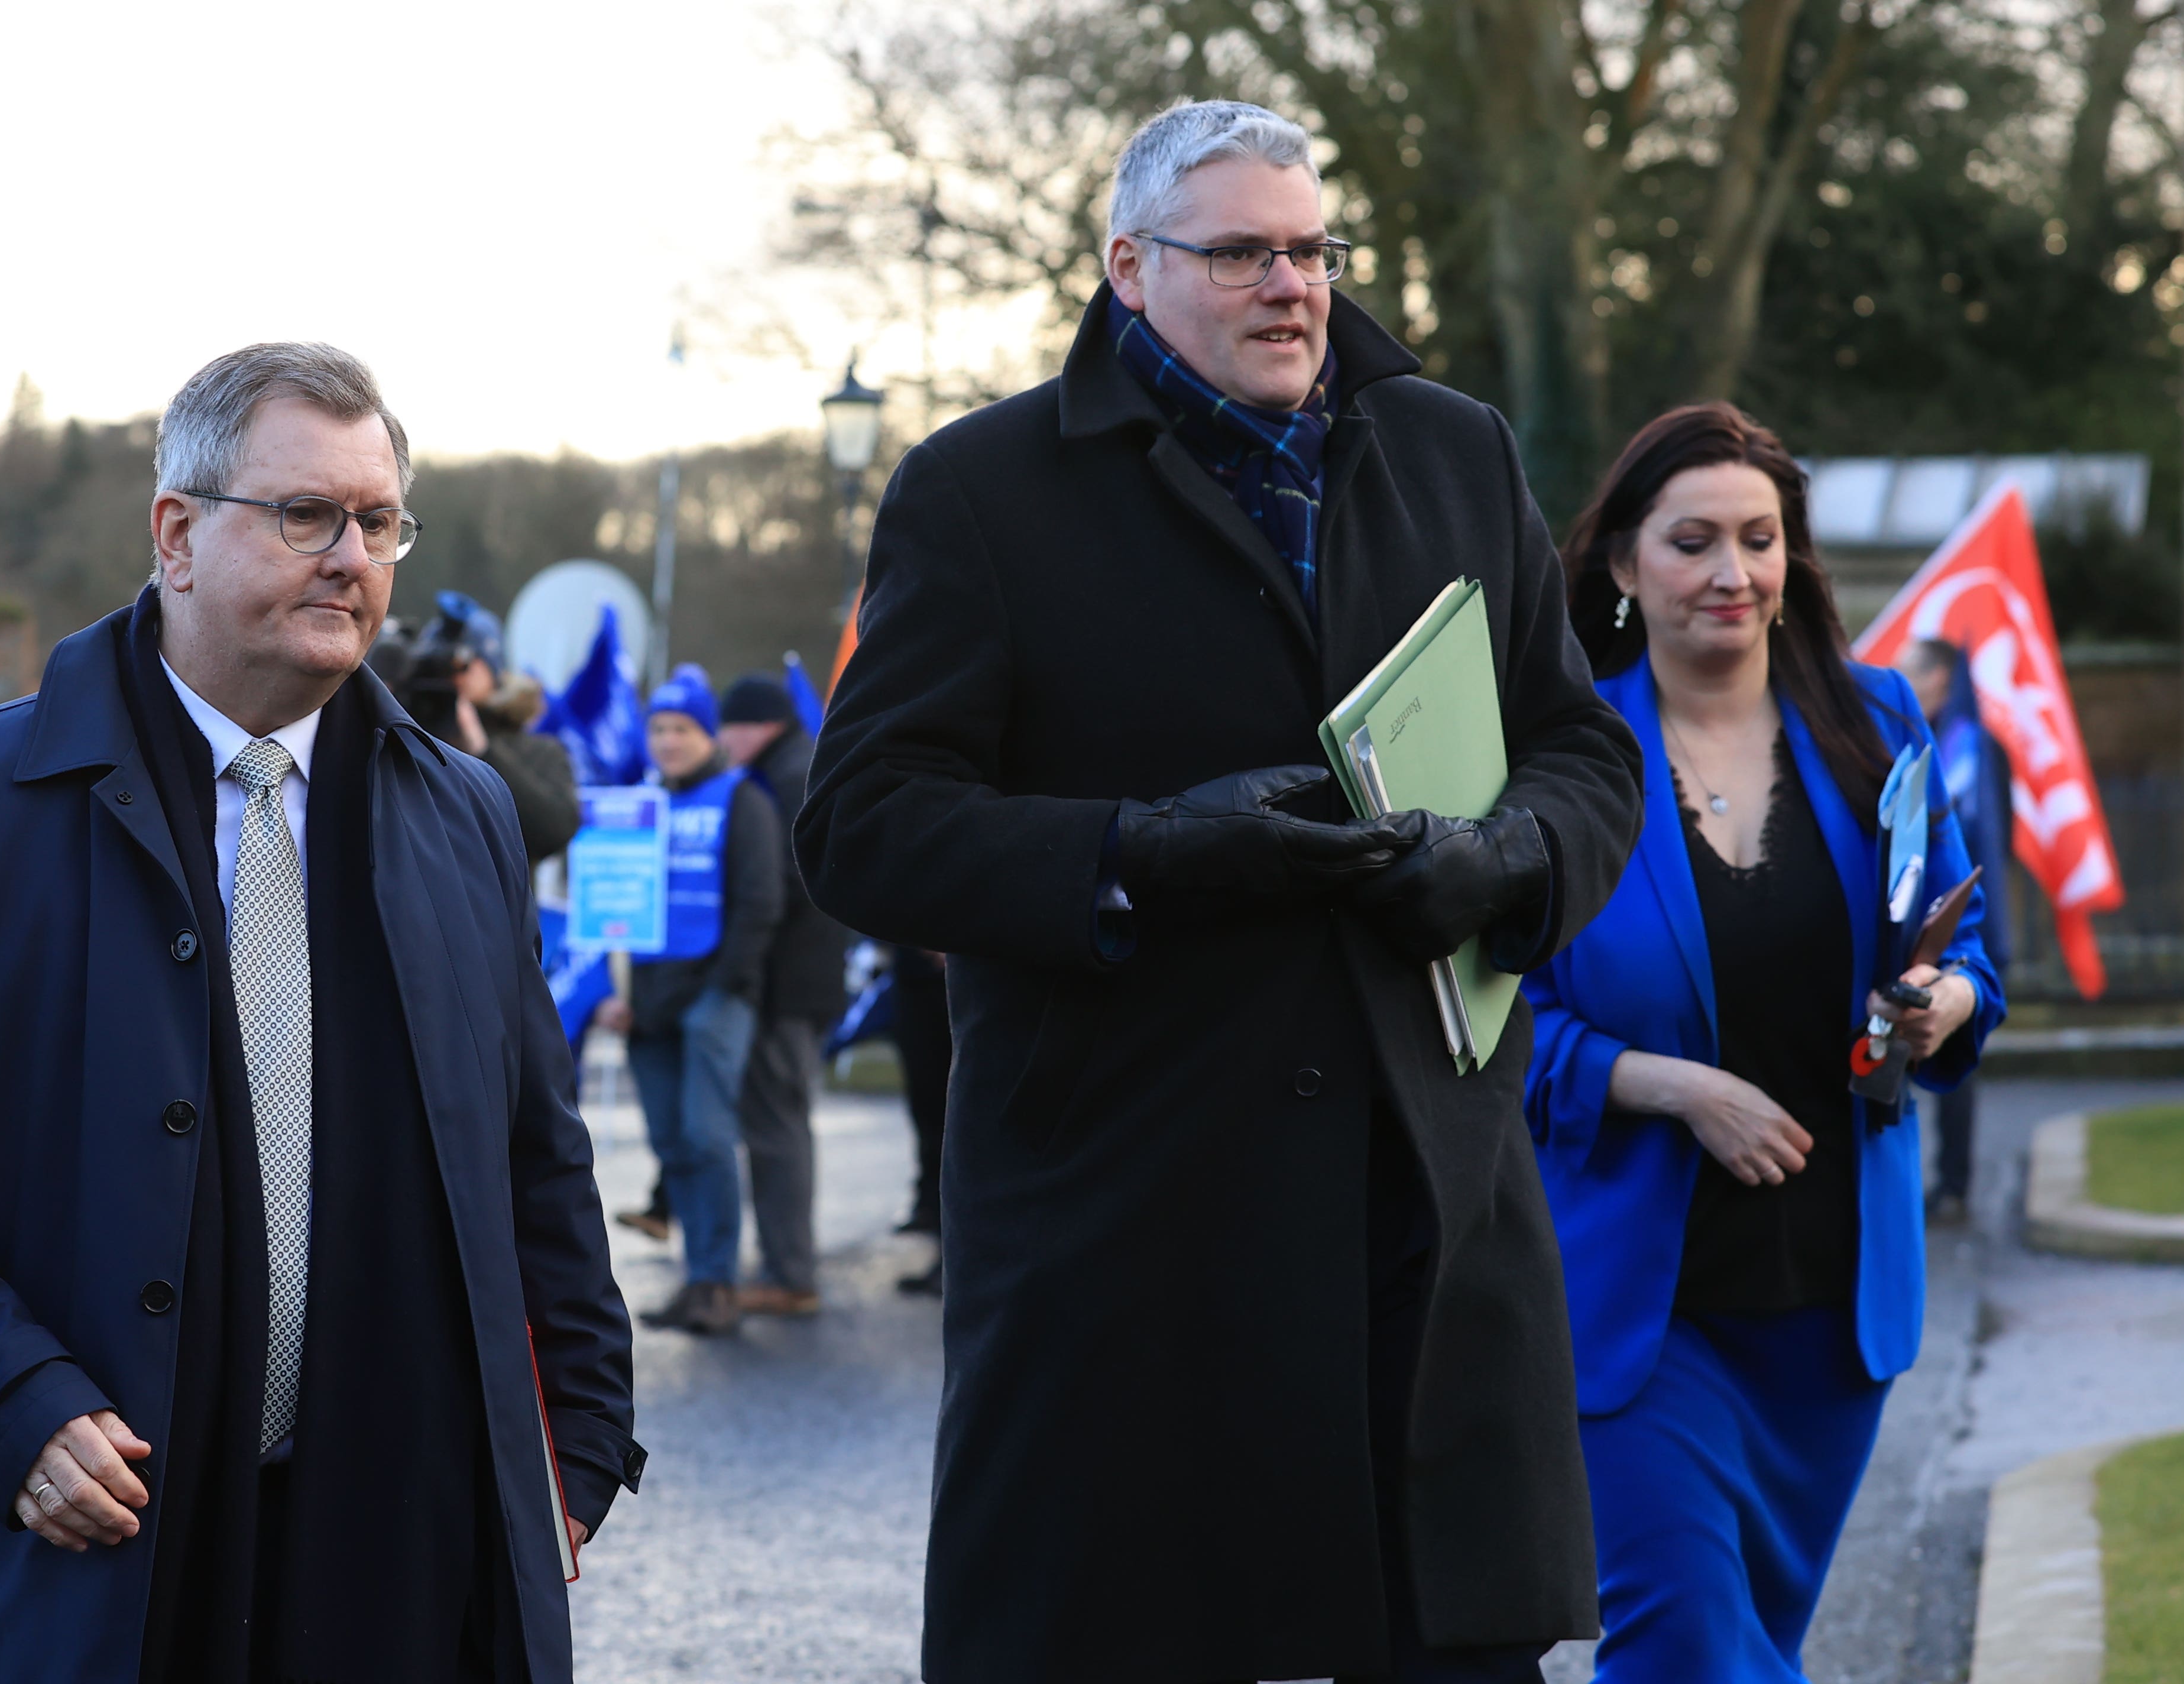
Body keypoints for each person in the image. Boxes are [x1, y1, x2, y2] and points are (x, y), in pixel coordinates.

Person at [796, 99, 1642, 1684]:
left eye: (1313, 251)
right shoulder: (981, 492)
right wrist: (1139, 851)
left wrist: (1511, 857)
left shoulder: (1458, 450)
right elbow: (862, 826)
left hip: (1423, 1222)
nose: (1293, 287)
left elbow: (1585, 752)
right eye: (1243, 253)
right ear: (1130, 268)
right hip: (1133, 1249)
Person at [0, 342, 643, 1683]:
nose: (351, 552)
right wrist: (1, 1394)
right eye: (305, 514)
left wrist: (578, 1433)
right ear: (176, 533)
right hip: (101, 1527)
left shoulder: (461, 811)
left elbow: (535, 1147)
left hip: (399, 1542)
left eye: (378, 519)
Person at [1522, 403, 2005, 1683]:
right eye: (1693, 541)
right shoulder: (1562, 758)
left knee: (1751, 1647)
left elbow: (1965, 955)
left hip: (1830, 1304)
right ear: (1624, 563)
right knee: (1682, 1642)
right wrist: (1673, 1086)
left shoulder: (1877, 721)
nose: (1733, 572)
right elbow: (1486, 1022)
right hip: (1639, 1309)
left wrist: (1939, 1003)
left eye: (1760, 538)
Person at [593, 665, 784, 1336]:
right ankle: (697, 1281)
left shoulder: (744, 801)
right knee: (674, 1146)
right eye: (658, 729)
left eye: (683, 729)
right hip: (647, 1009)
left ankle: (717, 1284)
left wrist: (721, 993)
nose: (668, 742)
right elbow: (602, 906)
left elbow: (761, 905)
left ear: (709, 735)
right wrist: (611, 997)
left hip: (713, 1004)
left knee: (706, 1139)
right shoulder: (634, 805)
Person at [715, 672, 849, 1317]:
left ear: (758, 725)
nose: (722, 739)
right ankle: (786, 1264)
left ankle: (789, 1273)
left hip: (787, 983)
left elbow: (790, 882)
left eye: (729, 726)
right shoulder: (798, 763)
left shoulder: (785, 775)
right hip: (802, 979)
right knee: (780, 1122)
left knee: (775, 1128)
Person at [1897, 637, 2010, 1227]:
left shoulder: (1976, 748)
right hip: (1908, 939)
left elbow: (1995, 841)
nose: (1903, 679)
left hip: (1972, 936)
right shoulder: (1900, 744)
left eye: (1912, 669)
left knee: (1955, 1062)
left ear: (1941, 676)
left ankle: (1956, 1184)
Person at [433, 590, 582, 870]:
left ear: (493, 669)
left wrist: (484, 751)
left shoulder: (539, 752)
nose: (454, 675)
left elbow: (555, 832)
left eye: (465, 662)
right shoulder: (405, 735)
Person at [887, 945, 951, 1296]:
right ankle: (932, 1211)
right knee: (929, 1114)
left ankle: (954, 1258)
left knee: (954, 1125)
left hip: (961, 971)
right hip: (917, 976)